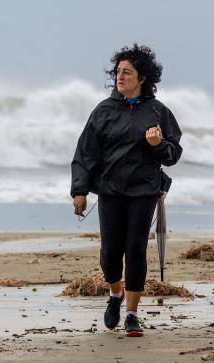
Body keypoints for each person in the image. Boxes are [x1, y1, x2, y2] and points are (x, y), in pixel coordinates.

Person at [70, 44, 183, 337]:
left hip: (144, 190)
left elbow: (172, 155)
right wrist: (79, 191)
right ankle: (115, 293)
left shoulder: (158, 111)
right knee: (110, 252)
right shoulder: (104, 110)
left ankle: (132, 313)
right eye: (118, 72)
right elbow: (85, 153)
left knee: (135, 249)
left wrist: (159, 145)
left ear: (142, 77)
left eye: (127, 72)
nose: (120, 77)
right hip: (110, 189)